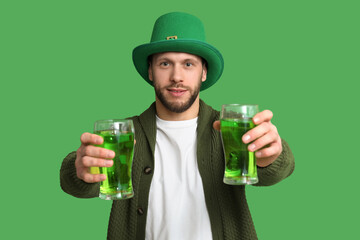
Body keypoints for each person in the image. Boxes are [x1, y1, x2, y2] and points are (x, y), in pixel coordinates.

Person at [60, 12, 295, 240]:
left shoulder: (228, 128)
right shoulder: (122, 134)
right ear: (151, 71)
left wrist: (270, 156)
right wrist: (81, 170)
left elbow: (279, 169)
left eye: (188, 64)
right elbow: (75, 181)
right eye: (165, 64)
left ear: (204, 72)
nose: (176, 76)